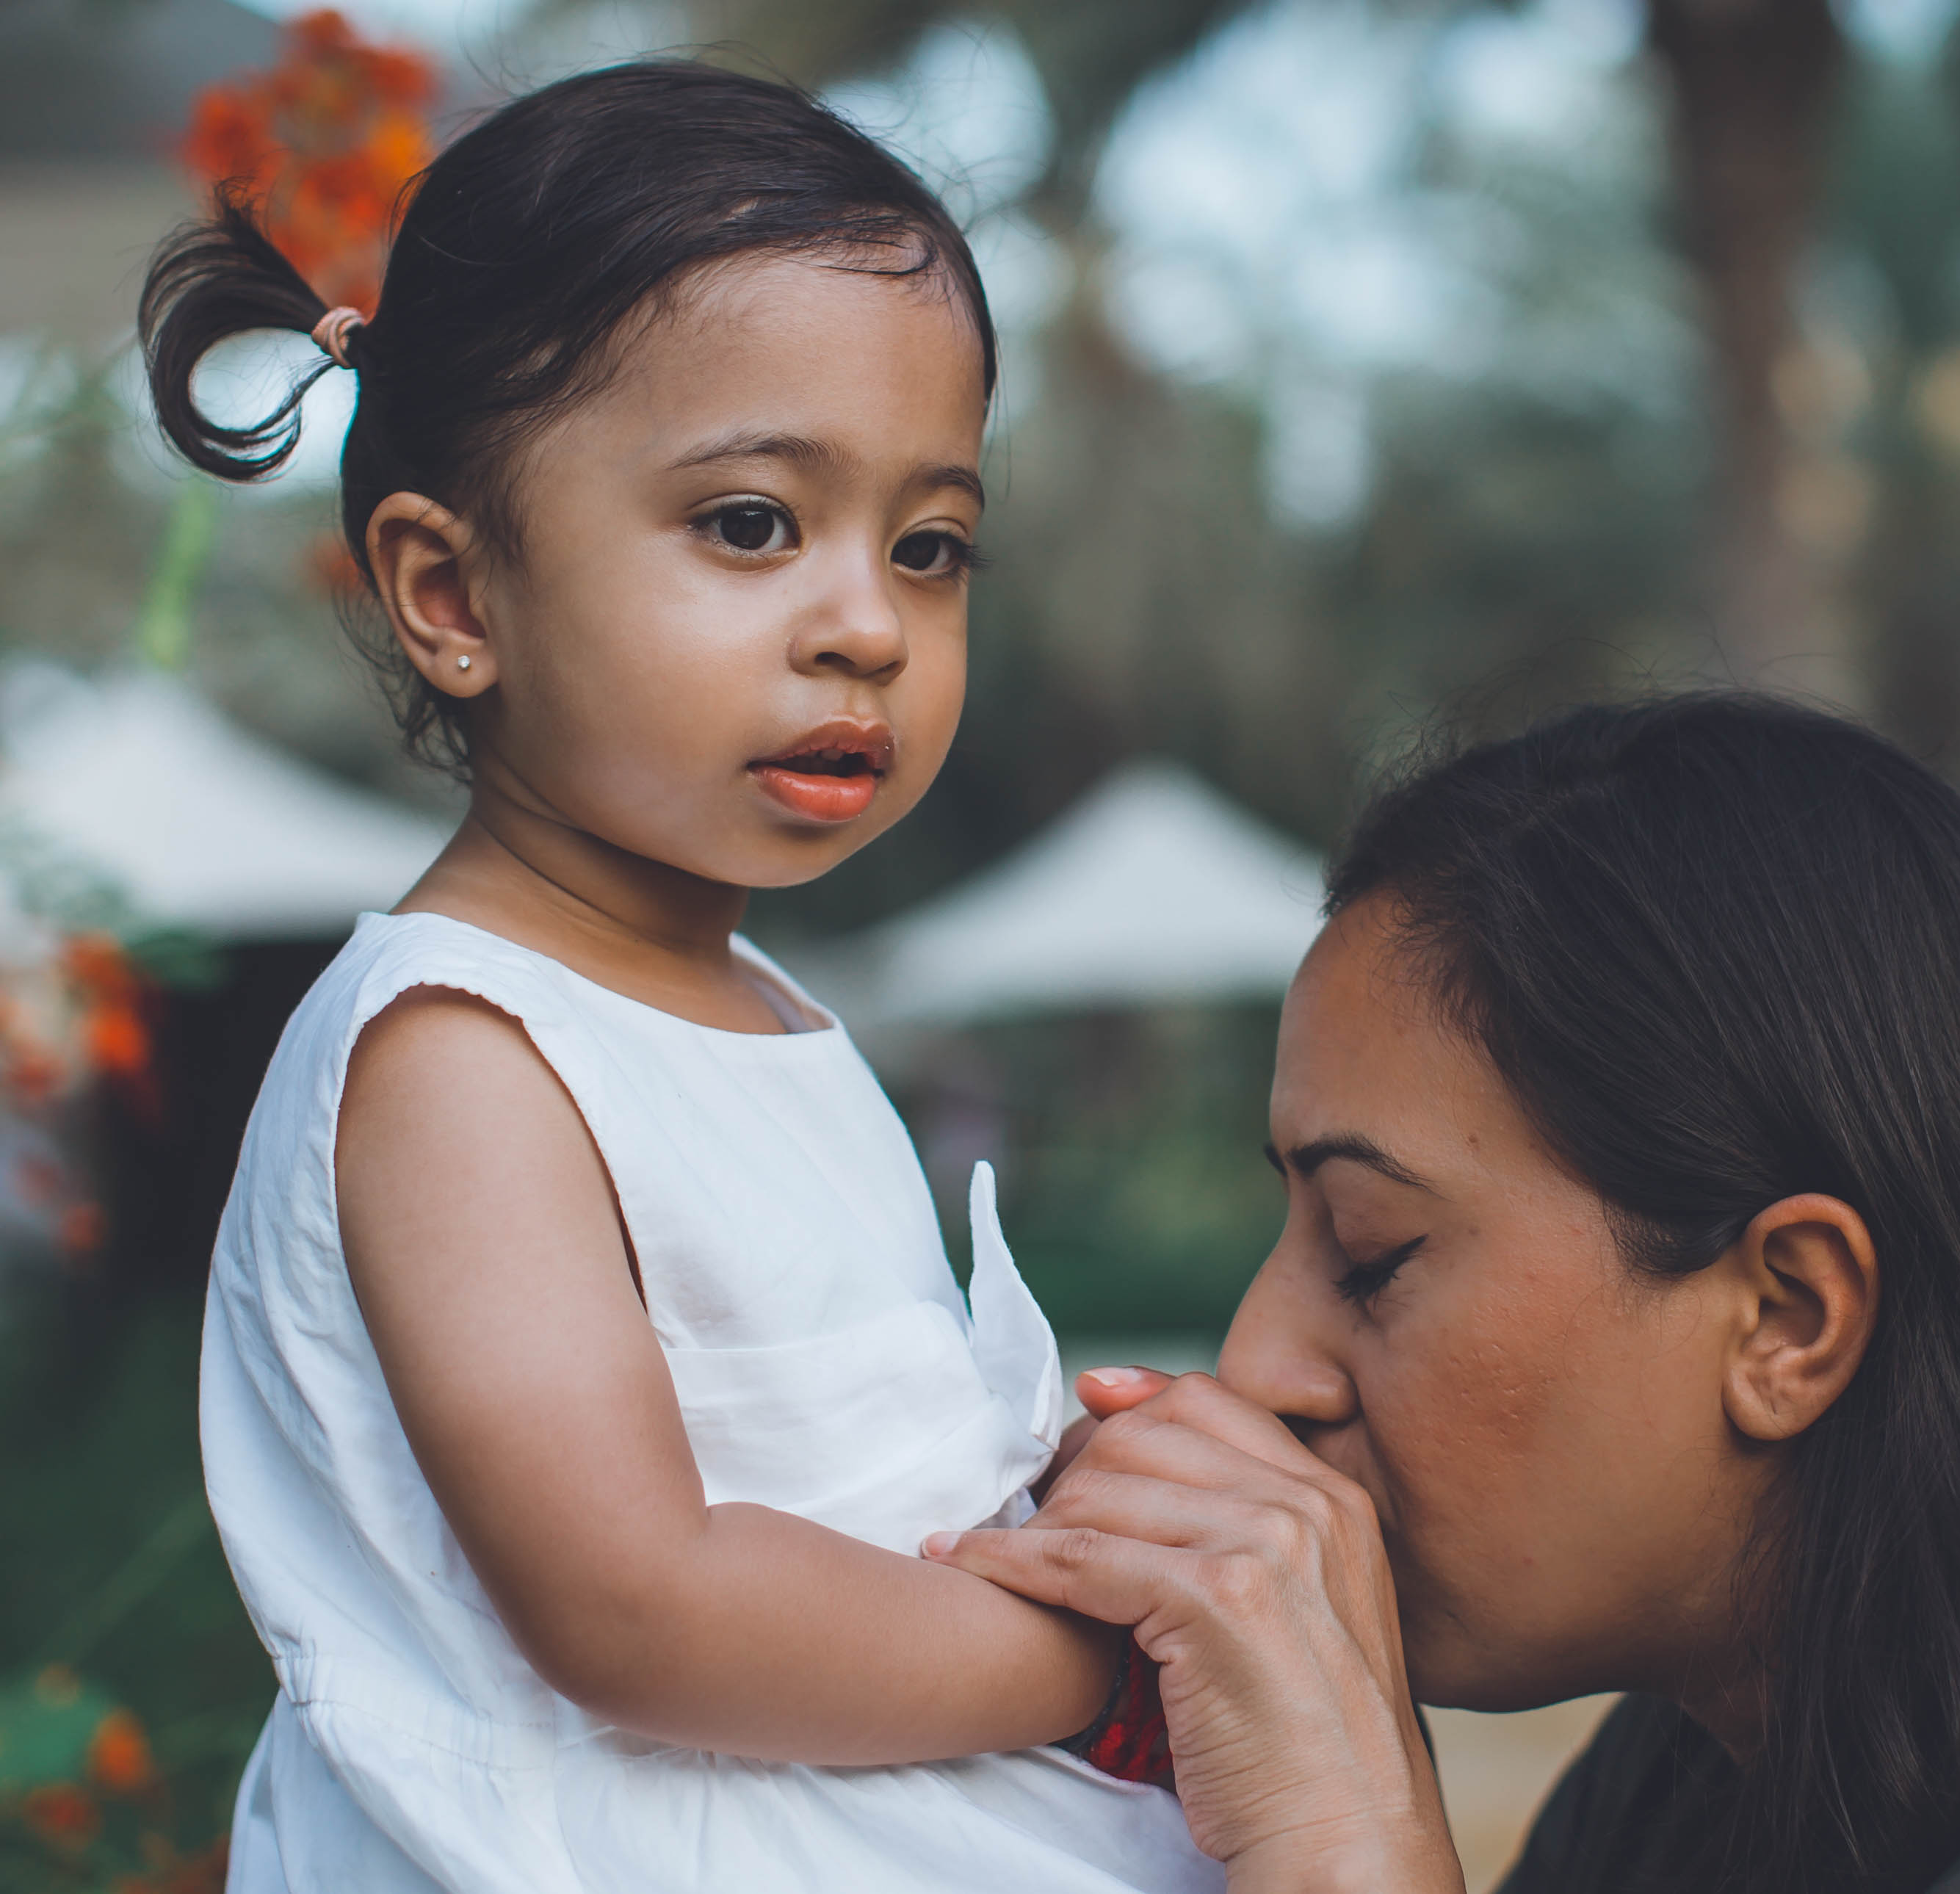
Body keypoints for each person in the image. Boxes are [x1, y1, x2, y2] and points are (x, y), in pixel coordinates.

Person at [144, 63, 1212, 1894]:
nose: (867, 622)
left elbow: (832, 1487)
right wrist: (1097, 1663)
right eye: (748, 524)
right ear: (453, 596)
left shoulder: (770, 1013)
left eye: (930, 545)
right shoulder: (465, 1060)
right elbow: (638, 1605)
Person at [930, 693, 1960, 1892]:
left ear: (1789, 1317)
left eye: (1373, 1255)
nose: (1259, 1360)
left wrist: (1351, 1851)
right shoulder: (1707, 1784)